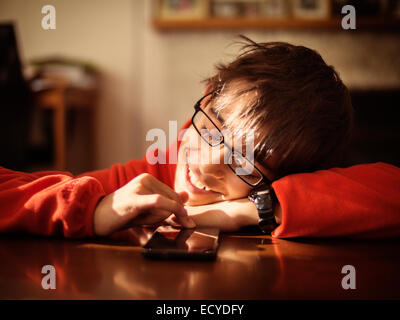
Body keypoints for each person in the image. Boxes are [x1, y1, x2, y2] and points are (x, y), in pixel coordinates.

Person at [1, 36, 399, 239]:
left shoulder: (303, 194)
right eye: (212, 128)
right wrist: (95, 208)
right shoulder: (151, 174)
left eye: (245, 164)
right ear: (208, 95)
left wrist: (257, 209)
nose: (207, 161)